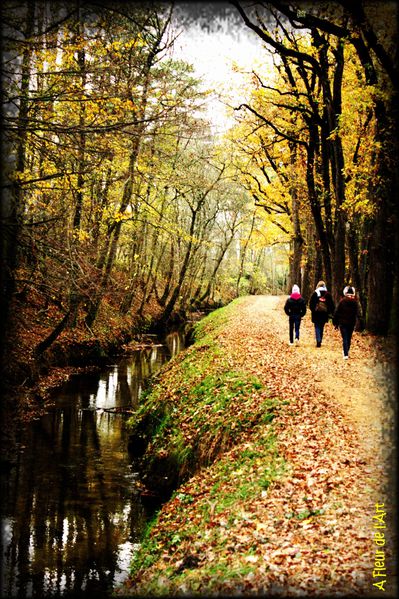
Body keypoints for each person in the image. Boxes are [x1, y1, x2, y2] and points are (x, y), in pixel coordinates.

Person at [333, 286, 360, 359]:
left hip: (343, 323)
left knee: (345, 337)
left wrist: (335, 322)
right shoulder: (355, 302)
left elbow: (337, 312)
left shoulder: (342, 301)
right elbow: (358, 313)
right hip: (351, 323)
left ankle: (345, 354)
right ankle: (346, 351)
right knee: (349, 337)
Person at [309, 280, 335, 347]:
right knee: (321, 327)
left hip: (316, 314)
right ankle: (320, 339)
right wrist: (330, 312)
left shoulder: (315, 293)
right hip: (324, 314)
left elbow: (311, 304)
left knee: (317, 326)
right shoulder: (327, 294)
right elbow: (331, 305)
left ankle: (318, 340)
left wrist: (313, 310)